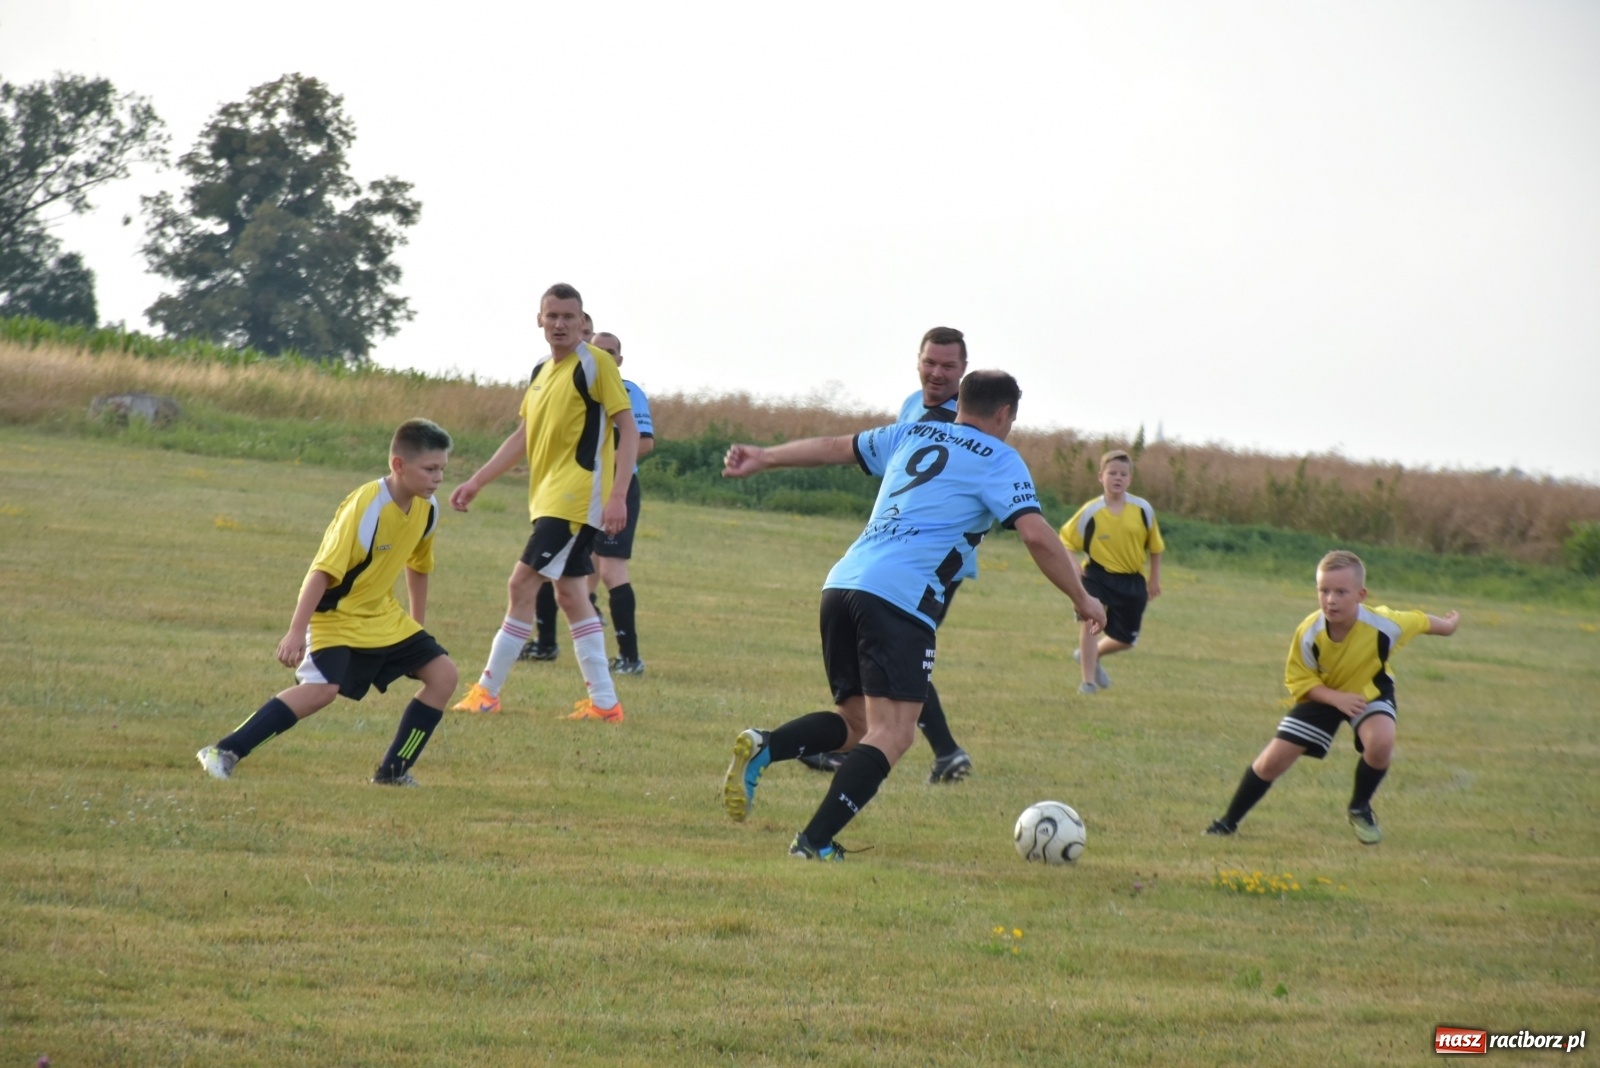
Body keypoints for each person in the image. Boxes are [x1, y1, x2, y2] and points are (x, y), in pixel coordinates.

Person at [719, 370, 1107, 860]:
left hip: (842, 583)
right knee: (895, 733)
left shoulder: (912, 431)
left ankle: (766, 746)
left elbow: (836, 445)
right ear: (1005, 414)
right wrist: (1082, 597)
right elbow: (1035, 534)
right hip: (900, 598)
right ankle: (813, 843)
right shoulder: (1001, 459)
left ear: (960, 399)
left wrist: (764, 456)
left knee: (856, 722)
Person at [196, 419, 458, 785]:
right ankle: (224, 750)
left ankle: (394, 772)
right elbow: (321, 572)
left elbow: (419, 565)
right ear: (398, 465)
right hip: (334, 617)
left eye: (442, 469)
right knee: (321, 691)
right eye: (430, 469)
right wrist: (295, 631)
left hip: (382, 616)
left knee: (444, 675)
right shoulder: (366, 509)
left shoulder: (427, 509)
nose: (438, 478)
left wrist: (417, 627)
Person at [448, 283, 639, 722]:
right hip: (548, 499)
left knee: (520, 585)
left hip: (575, 500)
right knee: (572, 595)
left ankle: (486, 692)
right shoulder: (540, 370)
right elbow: (523, 436)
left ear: (582, 322)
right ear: (539, 320)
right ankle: (606, 705)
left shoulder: (597, 366)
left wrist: (616, 496)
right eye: (552, 316)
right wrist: (477, 481)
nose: (560, 324)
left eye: (569, 317)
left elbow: (627, 430)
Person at [798, 326, 977, 783]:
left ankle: (919, 749)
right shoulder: (911, 407)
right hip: (893, 556)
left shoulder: (961, 421)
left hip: (930, 564)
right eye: (930, 363)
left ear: (964, 371)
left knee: (895, 651)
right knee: (886, 650)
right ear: (918, 360)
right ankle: (935, 751)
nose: (937, 373)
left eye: (949, 366)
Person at [1205, 550, 1460, 844]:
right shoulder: (1309, 632)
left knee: (1381, 742)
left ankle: (1359, 807)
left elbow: (1421, 621)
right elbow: (1298, 679)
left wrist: (1449, 625)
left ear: (1361, 594)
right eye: (1323, 591)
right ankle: (1227, 823)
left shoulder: (1384, 624)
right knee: (1270, 762)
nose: (1330, 599)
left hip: (1369, 690)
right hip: (1322, 696)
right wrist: (1334, 699)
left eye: (1340, 591)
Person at [522, 331, 654, 673]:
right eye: (600, 350)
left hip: (615, 488)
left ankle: (630, 658)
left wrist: (599, 462)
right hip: (578, 490)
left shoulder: (628, 391)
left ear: (621, 360)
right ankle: (548, 643)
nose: (605, 356)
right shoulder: (577, 381)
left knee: (610, 570)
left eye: (612, 352)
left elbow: (641, 441)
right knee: (565, 571)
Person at [1059, 449, 1164, 694]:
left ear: (1130, 479)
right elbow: (1065, 540)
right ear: (1100, 477)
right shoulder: (1090, 511)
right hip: (1097, 575)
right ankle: (1088, 683)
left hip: (1132, 579)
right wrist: (1073, 564)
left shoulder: (1142, 510)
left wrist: (1154, 579)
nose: (1117, 478)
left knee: (1127, 639)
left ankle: (1092, 656)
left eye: (1123, 474)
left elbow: (1156, 547)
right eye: (1112, 473)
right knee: (1089, 621)